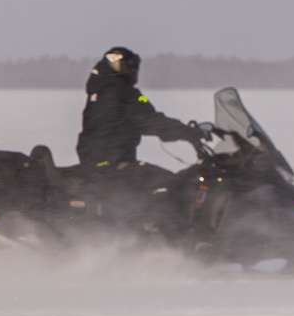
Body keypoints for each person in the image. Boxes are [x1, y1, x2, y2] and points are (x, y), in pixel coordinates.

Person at [75, 46, 208, 226]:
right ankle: (169, 236)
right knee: (170, 185)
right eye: (130, 65)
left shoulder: (100, 92)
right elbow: (149, 119)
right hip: (113, 164)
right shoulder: (123, 93)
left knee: (148, 185)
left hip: (97, 163)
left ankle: (143, 228)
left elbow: (144, 113)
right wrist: (187, 131)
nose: (133, 70)